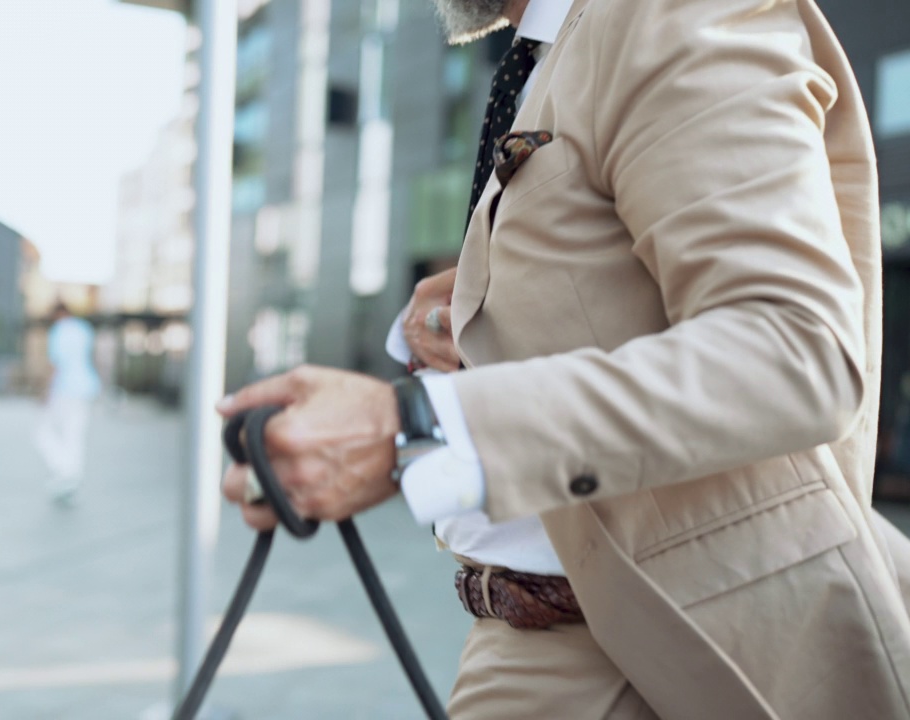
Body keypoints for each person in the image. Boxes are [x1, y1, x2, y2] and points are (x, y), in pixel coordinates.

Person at [218, 0, 910, 717]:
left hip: (666, 648)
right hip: (560, 629)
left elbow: (795, 350)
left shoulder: (672, 12)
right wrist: (488, 315)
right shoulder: (554, 50)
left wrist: (413, 426)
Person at [34, 303, 100, 503]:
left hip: (65, 389)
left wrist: (45, 390)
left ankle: (65, 471)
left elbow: (56, 363)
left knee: (42, 432)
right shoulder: (84, 329)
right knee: (75, 434)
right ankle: (72, 475)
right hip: (86, 387)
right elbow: (91, 358)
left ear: (58, 314)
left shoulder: (59, 331)